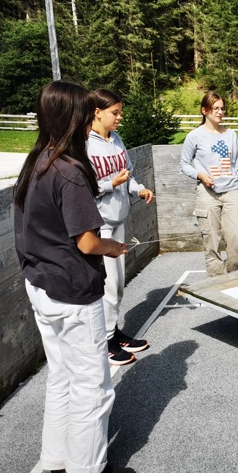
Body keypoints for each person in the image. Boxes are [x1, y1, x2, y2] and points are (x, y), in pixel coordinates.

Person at [14, 80, 128, 473]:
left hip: (40, 284)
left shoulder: (36, 161)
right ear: (74, 117)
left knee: (61, 377)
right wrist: (112, 247)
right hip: (73, 293)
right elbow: (87, 242)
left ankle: (54, 461)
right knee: (93, 389)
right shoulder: (70, 171)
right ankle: (87, 467)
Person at [88, 89, 154, 366]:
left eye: (120, 112)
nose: (119, 117)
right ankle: (104, 343)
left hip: (118, 220)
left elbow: (127, 175)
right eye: (115, 112)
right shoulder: (85, 145)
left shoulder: (116, 139)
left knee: (117, 286)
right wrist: (109, 184)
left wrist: (138, 189)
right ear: (97, 112)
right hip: (98, 225)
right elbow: (82, 188)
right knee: (109, 286)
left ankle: (113, 333)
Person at [179, 91, 238, 276]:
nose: (220, 112)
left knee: (237, 235)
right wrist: (200, 175)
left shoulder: (231, 135)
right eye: (216, 108)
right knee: (211, 241)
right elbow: (184, 164)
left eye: (222, 109)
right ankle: (216, 282)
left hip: (232, 191)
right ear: (204, 110)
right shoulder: (194, 136)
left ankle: (234, 276)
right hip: (207, 194)